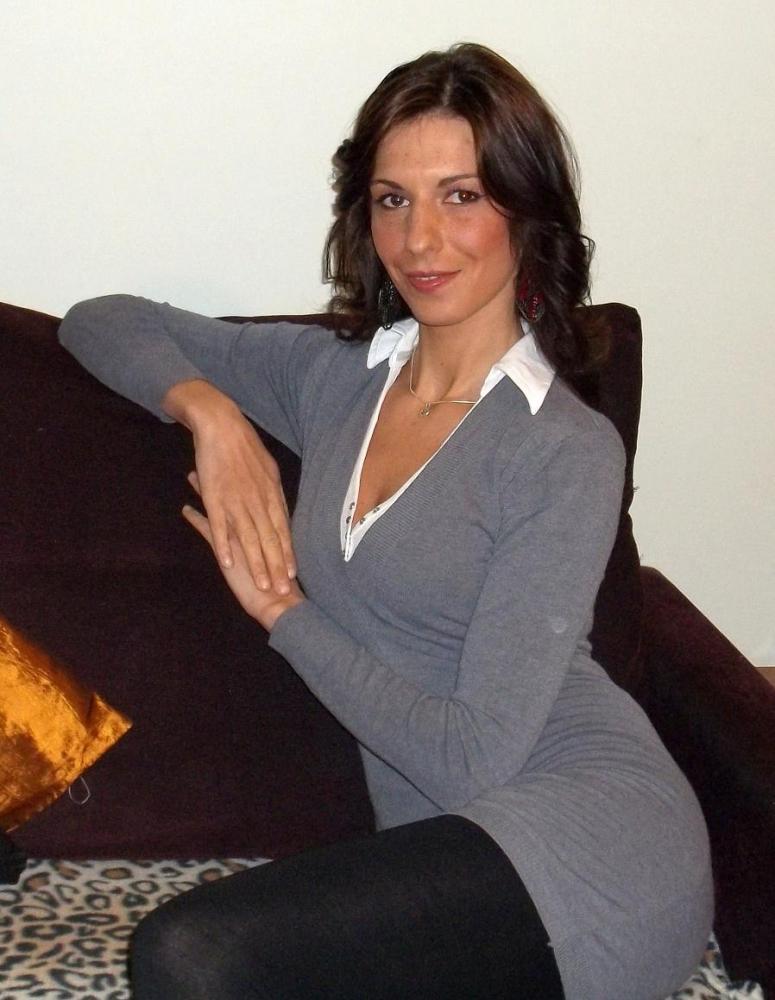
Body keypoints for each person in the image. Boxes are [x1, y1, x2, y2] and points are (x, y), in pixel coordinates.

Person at [59, 42, 713, 1000]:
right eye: (392, 199)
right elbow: (99, 318)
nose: (419, 239)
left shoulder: (562, 450)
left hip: (591, 853)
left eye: (461, 196)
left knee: (192, 955)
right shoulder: (333, 384)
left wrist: (285, 614)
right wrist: (211, 415)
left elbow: (467, 758)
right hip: (447, 853)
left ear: (525, 212)